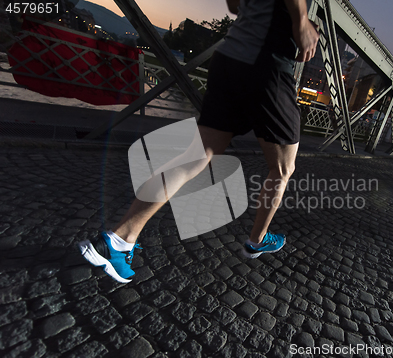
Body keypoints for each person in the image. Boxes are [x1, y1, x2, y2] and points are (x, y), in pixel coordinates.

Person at [78, 0, 320, 283]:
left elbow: (233, 5)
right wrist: (301, 20)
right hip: (267, 65)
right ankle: (258, 240)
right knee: (282, 169)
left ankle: (119, 240)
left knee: (196, 156)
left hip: (228, 58)